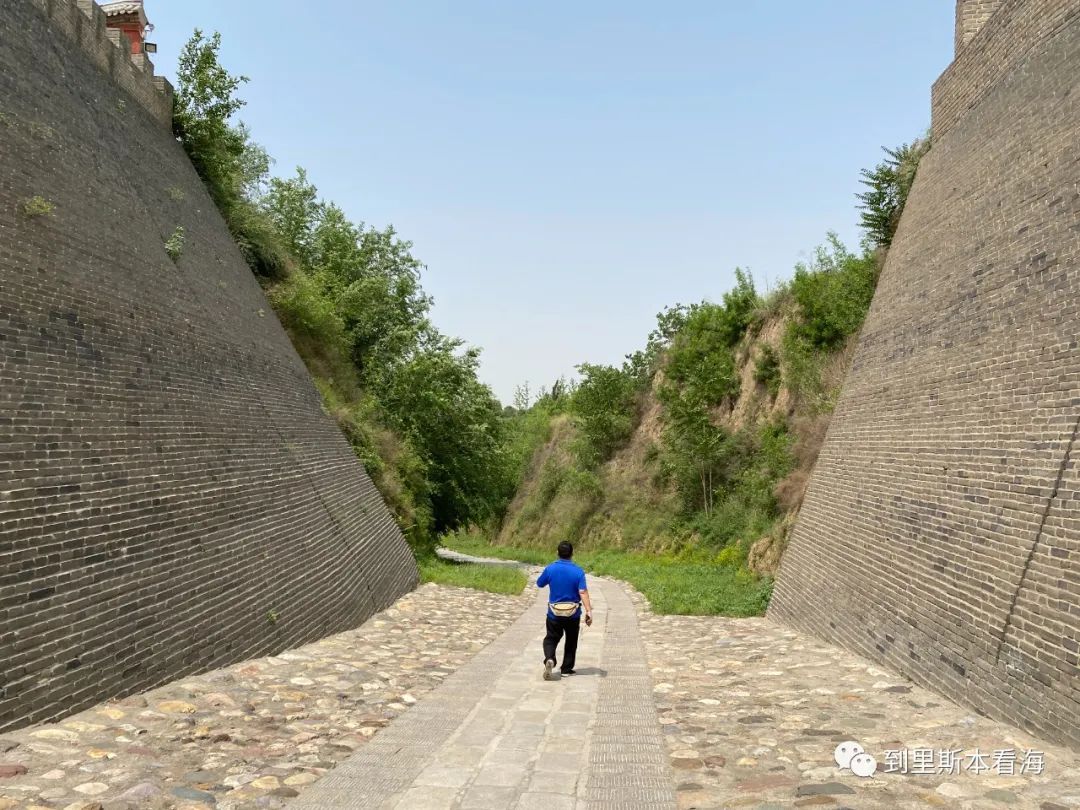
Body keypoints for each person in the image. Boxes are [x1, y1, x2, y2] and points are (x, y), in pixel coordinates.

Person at [536, 541, 593, 680]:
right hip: (572, 614)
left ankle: (550, 659)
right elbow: (583, 591)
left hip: (554, 613)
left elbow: (539, 583)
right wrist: (588, 611)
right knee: (571, 640)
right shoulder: (578, 571)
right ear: (572, 554)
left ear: (557, 552)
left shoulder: (550, 569)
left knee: (551, 638)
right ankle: (566, 669)